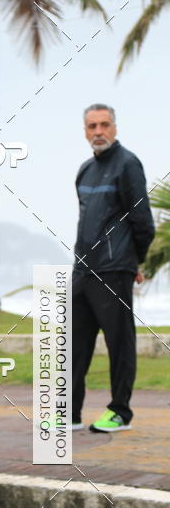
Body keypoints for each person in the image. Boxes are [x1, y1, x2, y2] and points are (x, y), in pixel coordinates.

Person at [72, 104, 155, 433]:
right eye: (92, 126)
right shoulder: (84, 170)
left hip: (114, 268)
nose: (98, 132)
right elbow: (85, 222)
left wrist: (134, 261)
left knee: (120, 342)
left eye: (104, 125)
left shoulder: (128, 164)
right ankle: (71, 413)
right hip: (83, 270)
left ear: (115, 128)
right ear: (84, 131)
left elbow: (142, 221)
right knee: (75, 345)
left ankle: (119, 411)